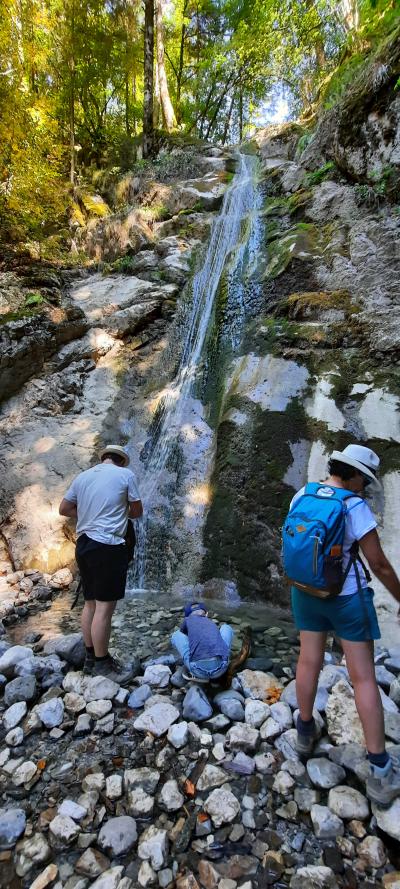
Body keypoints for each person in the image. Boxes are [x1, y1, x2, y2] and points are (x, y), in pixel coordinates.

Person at [288, 444, 400, 807]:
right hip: (347, 598)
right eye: (363, 480)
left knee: (308, 661)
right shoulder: (354, 506)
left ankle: (305, 732)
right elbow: (379, 564)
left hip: (306, 591)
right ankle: (380, 771)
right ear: (352, 475)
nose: (364, 487)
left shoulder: (303, 494)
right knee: (363, 677)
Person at [59, 444, 143, 683]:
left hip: (84, 545)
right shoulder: (126, 475)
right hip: (107, 546)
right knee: (105, 609)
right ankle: (103, 664)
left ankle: (89, 657)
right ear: (121, 461)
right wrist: (115, 512)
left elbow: (64, 508)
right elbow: (136, 512)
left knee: (90, 604)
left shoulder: (83, 476)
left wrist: (89, 511)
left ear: (104, 458)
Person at [171, 603, 234, 681]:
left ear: (187, 616)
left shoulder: (187, 620)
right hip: (221, 668)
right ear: (206, 614)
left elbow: (184, 634)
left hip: (198, 670)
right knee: (226, 627)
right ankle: (224, 657)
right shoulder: (210, 621)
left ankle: (182, 660)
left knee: (176, 634)